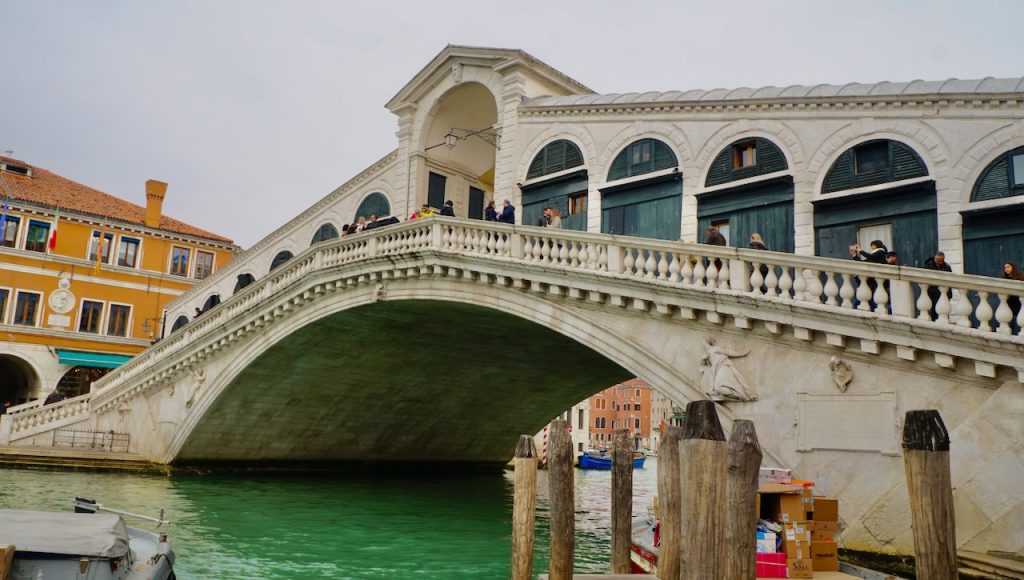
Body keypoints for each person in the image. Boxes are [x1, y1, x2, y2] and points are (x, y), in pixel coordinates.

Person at [924, 251, 953, 321]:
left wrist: (949, 294)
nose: (939, 262)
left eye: (941, 261)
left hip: (944, 293)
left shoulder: (947, 267)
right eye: (938, 260)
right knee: (934, 313)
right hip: (933, 293)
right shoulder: (928, 266)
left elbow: (950, 280)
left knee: (945, 313)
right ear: (935, 258)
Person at [1003, 262, 1024, 334]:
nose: (1006, 269)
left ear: (1013, 267)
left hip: (1018, 301)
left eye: (1008, 267)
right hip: (1009, 301)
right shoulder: (1004, 278)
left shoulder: (1020, 277)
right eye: (1005, 267)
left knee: (1018, 318)